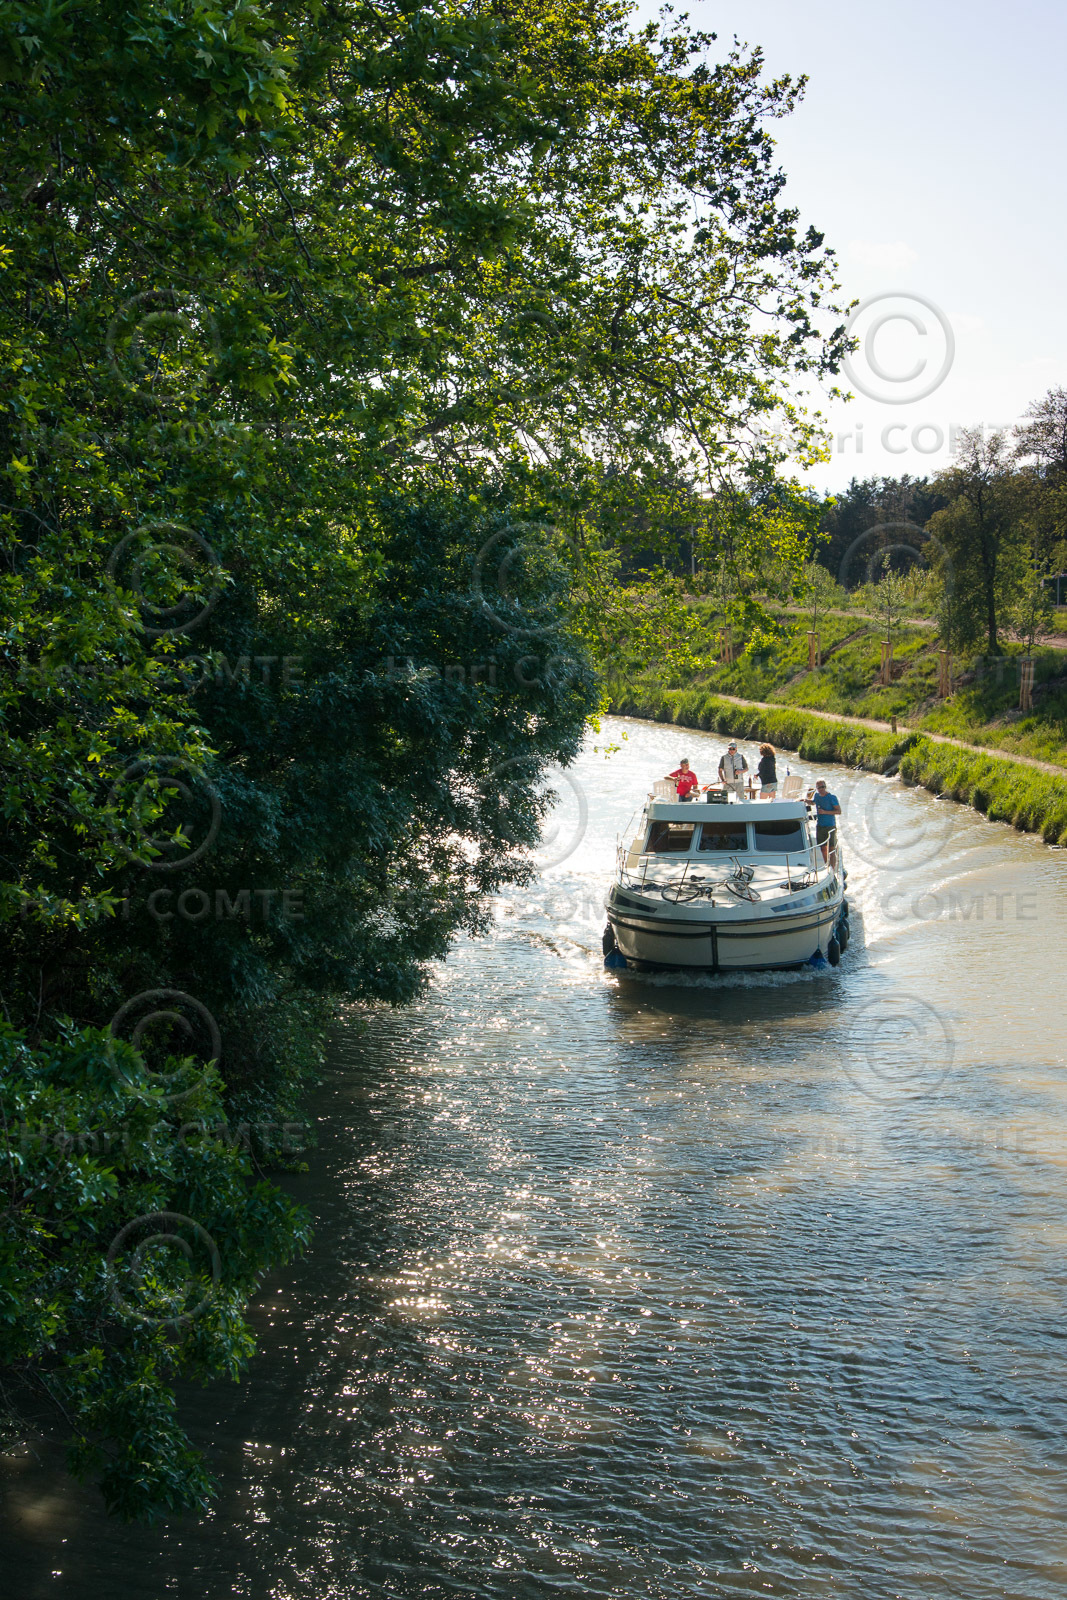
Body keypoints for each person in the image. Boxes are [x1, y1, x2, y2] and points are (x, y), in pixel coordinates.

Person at [809, 778, 841, 862]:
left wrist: (825, 812)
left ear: (825, 787)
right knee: (823, 848)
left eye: (823, 787)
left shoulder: (832, 797)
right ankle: (827, 864)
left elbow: (839, 811)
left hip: (830, 826)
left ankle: (833, 867)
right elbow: (813, 802)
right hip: (820, 826)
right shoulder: (816, 796)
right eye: (819, 787)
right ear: (817, 788)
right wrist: (805, 801)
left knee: (831, 849)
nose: (821, 789)